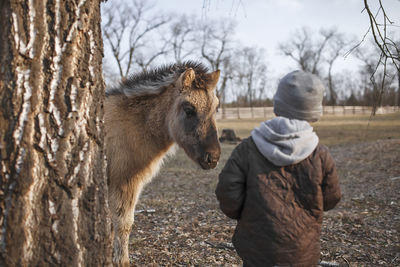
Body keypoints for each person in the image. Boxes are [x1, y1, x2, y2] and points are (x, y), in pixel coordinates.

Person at [215, 70, 341, 267]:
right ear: (313, 112)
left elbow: (227, 191)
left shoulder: (248, 148)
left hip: (256, 249)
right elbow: (331, 197)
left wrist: (246, 214)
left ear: (277, 105)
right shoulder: (320, 154)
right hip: (302, 250)